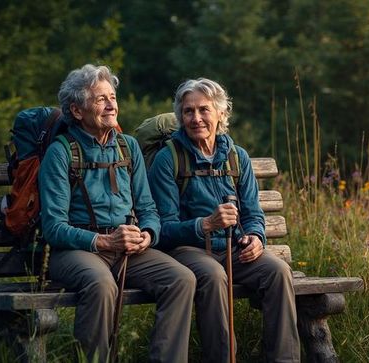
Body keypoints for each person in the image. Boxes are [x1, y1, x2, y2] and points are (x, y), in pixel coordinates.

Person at [39, 64, 196, 363]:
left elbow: (148, 208)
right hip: (76, 250)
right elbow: (53, 227)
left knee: (181, 279)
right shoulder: (60, 152)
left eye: (112, 96)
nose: (111, 104)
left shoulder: (129, 147)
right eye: (100, 99)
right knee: (100, 284)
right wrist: (102, 242)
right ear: (76, 110)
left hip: (128, 249)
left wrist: (147, 235)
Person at [148, 78, 300, 362]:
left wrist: (256, 238)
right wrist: (204, 224)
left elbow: (253, 214)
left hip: (234, 250)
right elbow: (162, 228)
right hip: (189, 251)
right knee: (214, 275)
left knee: (278, 271)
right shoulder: (168, 159)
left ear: (220, 113)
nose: (196, 118)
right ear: (180, 116)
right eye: (188, 111)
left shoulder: (236, 157)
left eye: (204, 110)